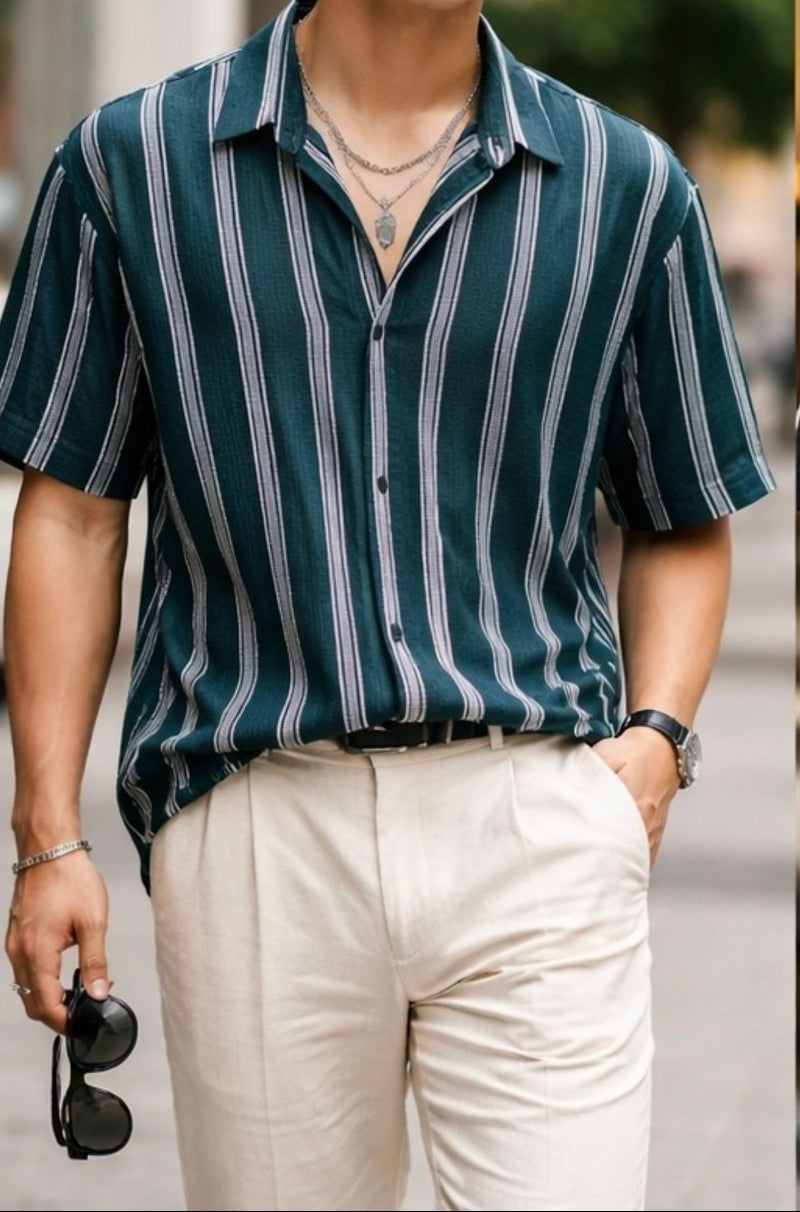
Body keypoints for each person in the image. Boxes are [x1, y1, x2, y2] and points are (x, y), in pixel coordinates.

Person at [1, 0, 775, 1208]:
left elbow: (682, 508)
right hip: (254, 821)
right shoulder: (132, 165)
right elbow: (73, 511)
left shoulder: (624, 184)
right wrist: (49, 836)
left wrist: (654, 746)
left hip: (535, 819)